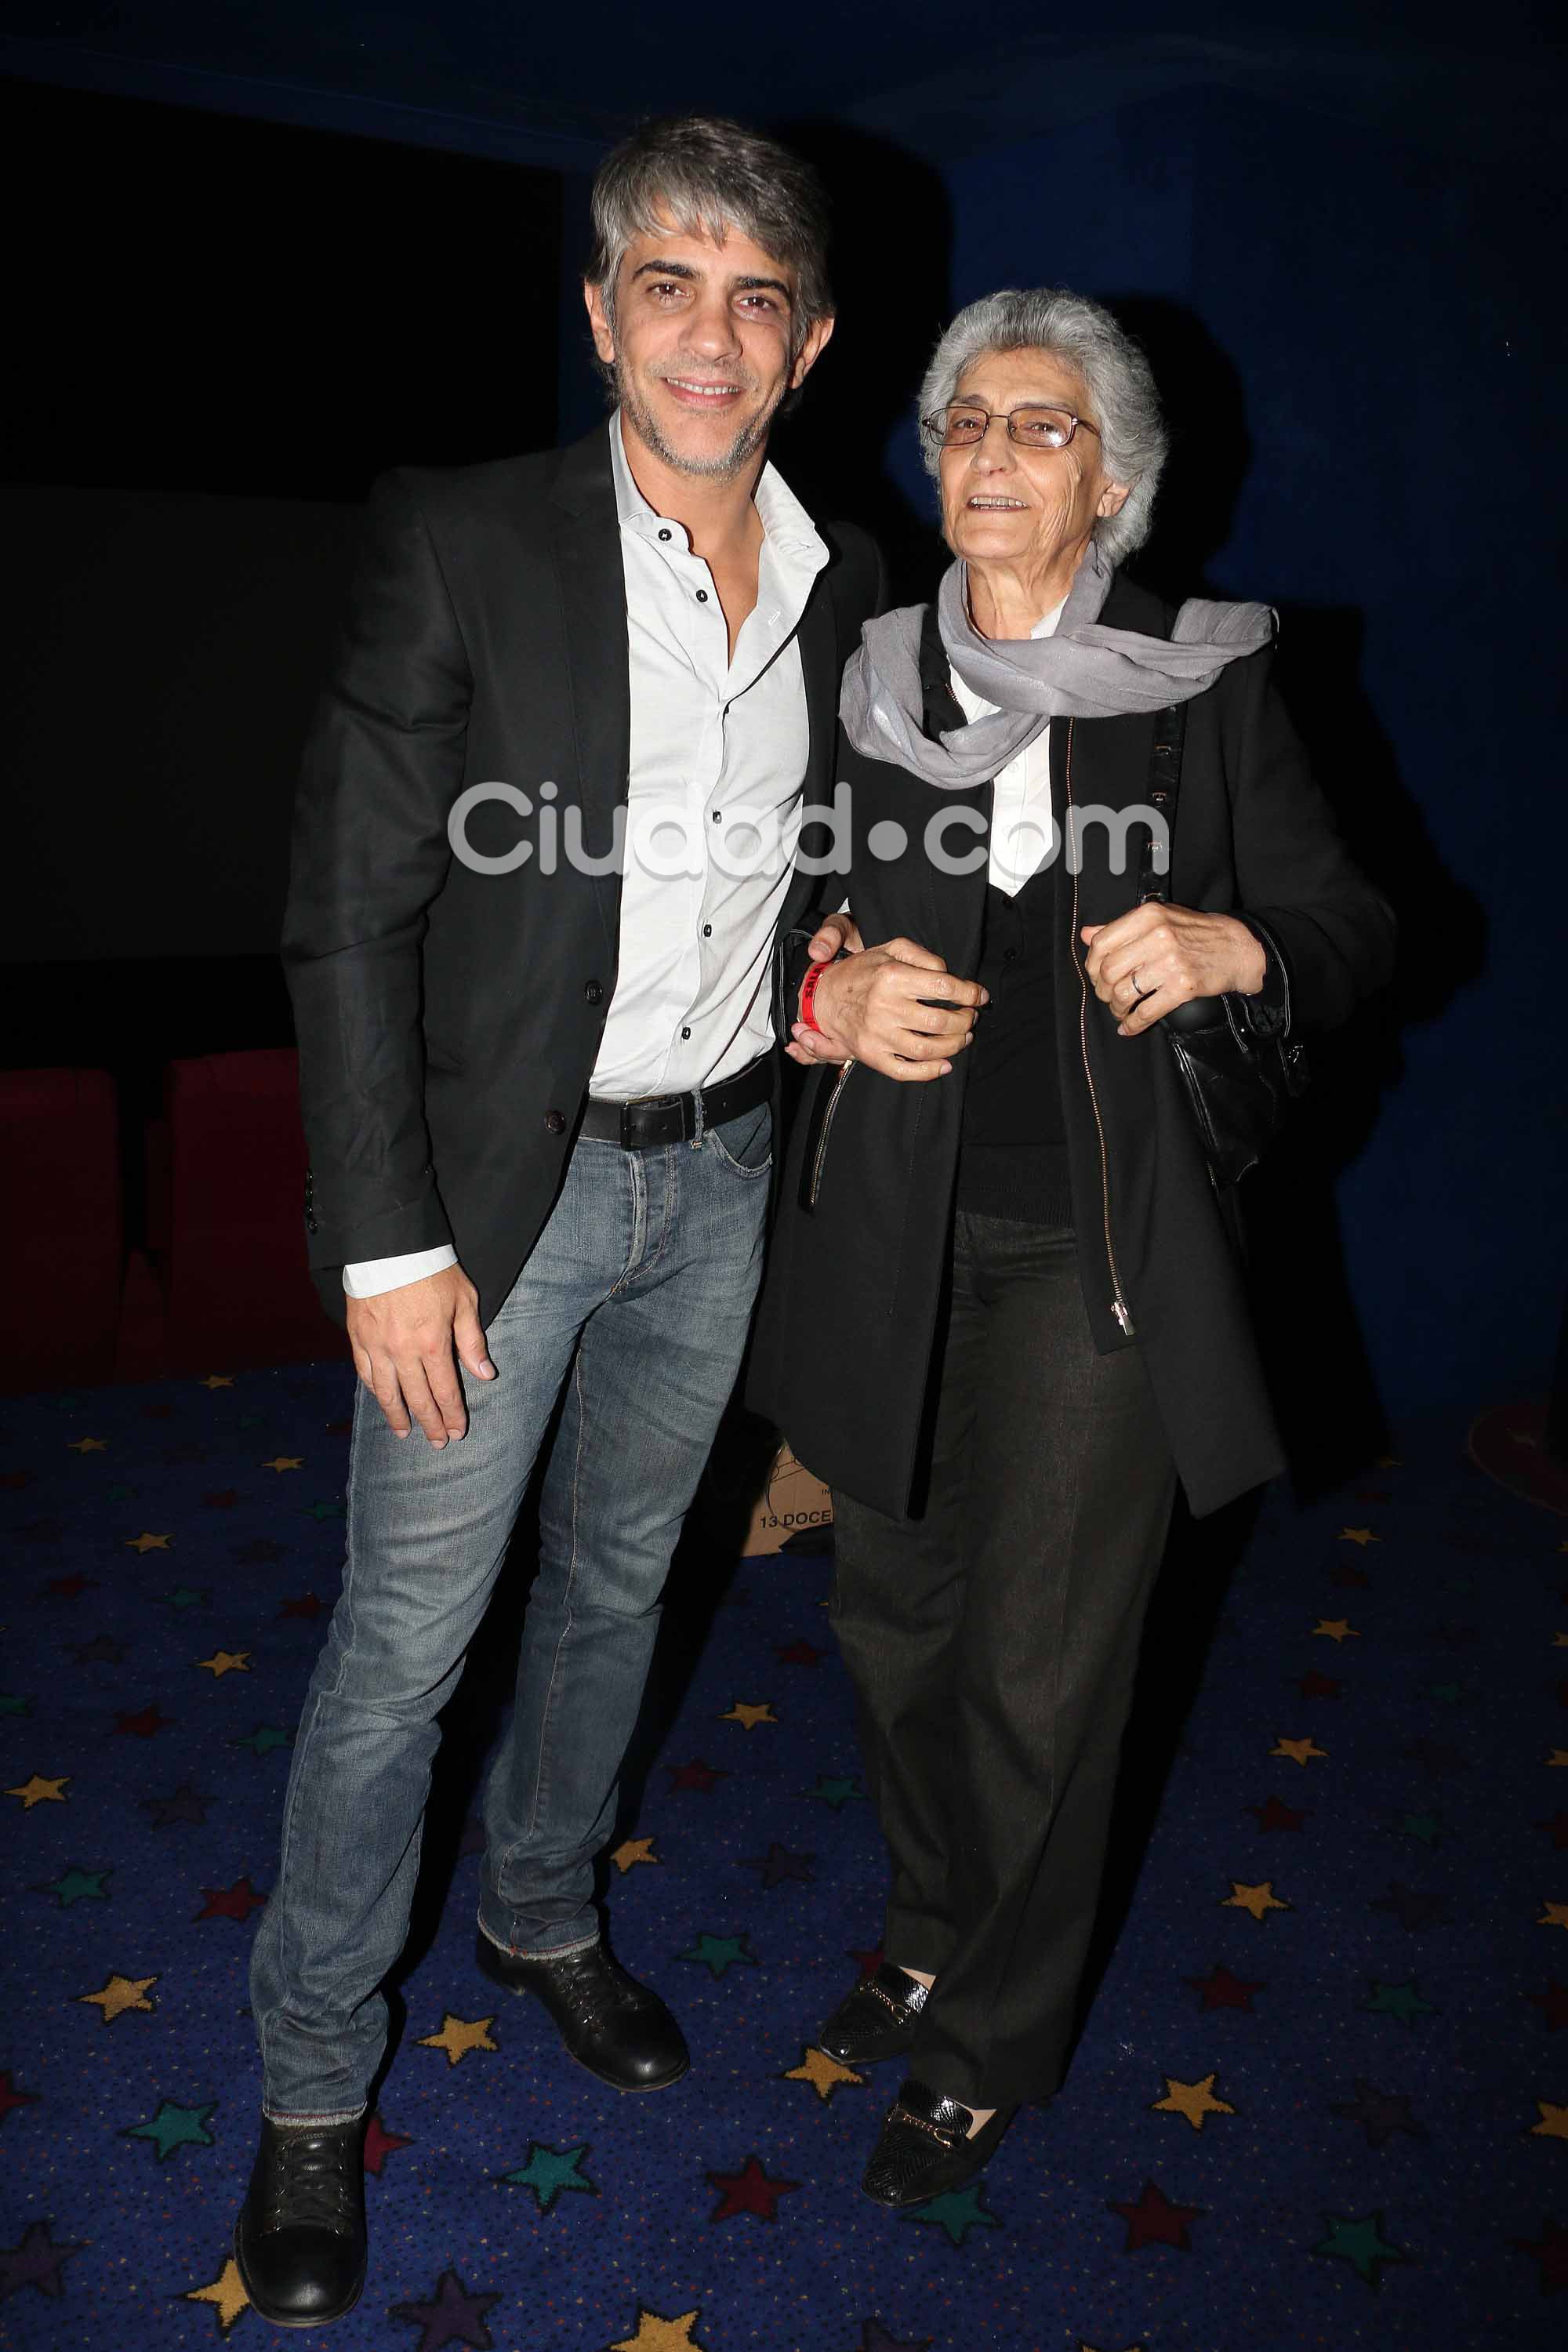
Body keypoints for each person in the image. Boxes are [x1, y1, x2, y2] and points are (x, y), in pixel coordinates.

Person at [238, 116, 879, 2327]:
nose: (711, 333)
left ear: (804, 345)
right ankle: (315, 2087)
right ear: (603, 314)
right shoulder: (468, 539)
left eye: (756, 294)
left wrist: (818, 976)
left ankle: (540, 1916)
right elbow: (347, 917)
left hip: (717, 1178)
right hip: (490, 1212)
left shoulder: (843, 580)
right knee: (399, 1659)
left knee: (621, 1589)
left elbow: (801, 863)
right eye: (669, 284)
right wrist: (384, 1242)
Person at [747, 285, 1396, 2209]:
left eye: (1038, 429)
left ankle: (984, 2038)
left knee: (1039, 1667)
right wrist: (826, 993)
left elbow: (1359, 925)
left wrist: (1238, 943)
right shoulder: (868, 679)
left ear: (1109, 482)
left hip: (1096, 1257)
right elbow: (780, 911)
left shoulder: (1207, 684)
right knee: (890, 1627)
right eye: (962, 423)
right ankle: (938, 1921)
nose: (989, 458)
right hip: (891, 1232)